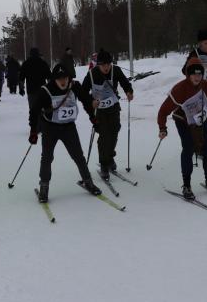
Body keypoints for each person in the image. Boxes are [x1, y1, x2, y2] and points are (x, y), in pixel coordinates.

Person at [157, 58, 207, 200]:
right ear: (188, 75)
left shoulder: (206, 86)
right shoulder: (179, 89)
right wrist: (162, 128)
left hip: (199, 121)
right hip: (183, 121)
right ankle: (187, 185)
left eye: (199, 74)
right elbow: (163, 111)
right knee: (188, 148)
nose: (197, 77)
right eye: (194, 74)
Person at [30, 63, 101, 203]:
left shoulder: (74, 86)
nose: (63, 81)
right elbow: (34, 111)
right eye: (59, 79)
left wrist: (93, 117)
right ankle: (44, 187)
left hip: (68, 127)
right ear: (54, 79)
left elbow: (86, 100)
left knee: (78, 155)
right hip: (50, 128)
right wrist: (33, 130)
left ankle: (88, 181)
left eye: (65, 78)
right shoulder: (45, 90)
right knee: (47, 157)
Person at [81, 49, 134, 179]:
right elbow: (82, 93)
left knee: (114, 131)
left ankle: (110, 157)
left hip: (113, 106)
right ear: (98, 64)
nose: (106, 67)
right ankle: (104, 163)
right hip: (99, 110)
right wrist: (91, 101)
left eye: (108, 64)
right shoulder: (92, 75)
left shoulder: (115, 70)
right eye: (103, 65)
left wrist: (129, 91)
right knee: (104, 135)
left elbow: (125, 82)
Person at [20, 48, 52, 132]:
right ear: (38, 54)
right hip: (43, 89)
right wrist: (51, 88)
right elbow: (49, 77)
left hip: (31, 90)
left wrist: (21, 88)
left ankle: (34, 126)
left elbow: (21, 78)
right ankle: (43, 125)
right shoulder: (43, 63)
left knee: (33, 108)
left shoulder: (26, 63)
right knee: (43, 107)